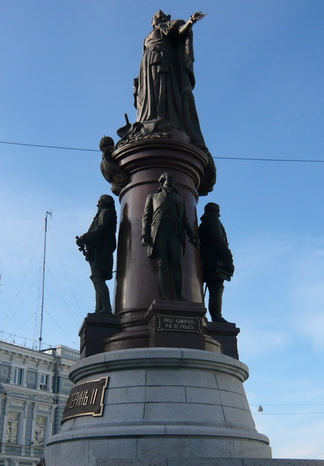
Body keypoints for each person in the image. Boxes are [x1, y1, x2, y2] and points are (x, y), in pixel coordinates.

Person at [133, 10, 207, 148]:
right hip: (147, 64)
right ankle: (148, 120)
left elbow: (180, 33)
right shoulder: (148, 37)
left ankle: (164, 120)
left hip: (162, 62)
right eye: (155, 17)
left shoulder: (168, 27)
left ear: (167, 18)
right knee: (148, 94)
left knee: (161, 90)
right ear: (151, 22)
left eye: (161, 17)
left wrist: (191, 21)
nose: (157, 18)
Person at [142, 173, 199, 300]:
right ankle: (165, 296)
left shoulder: (180, 199)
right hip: (159, 232)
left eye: (173, 178)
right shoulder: (153, 197)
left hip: (176, 232)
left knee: (177, 263)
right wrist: (144, 234)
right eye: (170, 178)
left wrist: (192, 236)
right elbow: (146, 217)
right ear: (162, 181)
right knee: (162, 264)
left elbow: (185, 220)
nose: (172, 181)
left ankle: (179, 295)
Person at [76, 195, 117, 313]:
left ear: (104, 202)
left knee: (99, 278)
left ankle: (105, 308)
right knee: (96, 279)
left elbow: (101, 228)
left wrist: (85, 238)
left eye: (99, 202)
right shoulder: (103, 214)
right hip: (97, 251)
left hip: (101, 250)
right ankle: (99, 308)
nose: (97, 204)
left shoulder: (106, 212)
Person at [199, 202, 234, 322]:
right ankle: (216, 316)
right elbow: (218, 240)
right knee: (216, 288)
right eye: (217, 211)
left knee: (214, 288)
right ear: (213, 211)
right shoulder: (213, 221)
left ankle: (215, 315)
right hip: (216, 262)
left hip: (207, 261)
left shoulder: (203, 223)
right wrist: (228, 257)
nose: (219, 214)